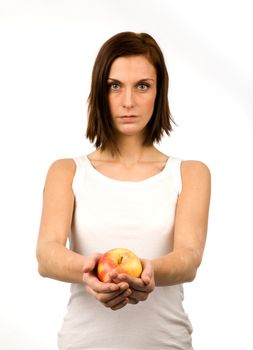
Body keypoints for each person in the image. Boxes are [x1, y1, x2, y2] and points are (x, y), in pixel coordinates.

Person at [36, 32, 211, 349]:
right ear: (99, 92)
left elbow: (189, 258)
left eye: (142, 85)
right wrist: (90, 272)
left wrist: (149, 271)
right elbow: (47, 255)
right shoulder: (66, 172)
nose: (128, 101)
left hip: (166, 343)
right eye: (114, 86)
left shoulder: (190, 174)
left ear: (160, 92)